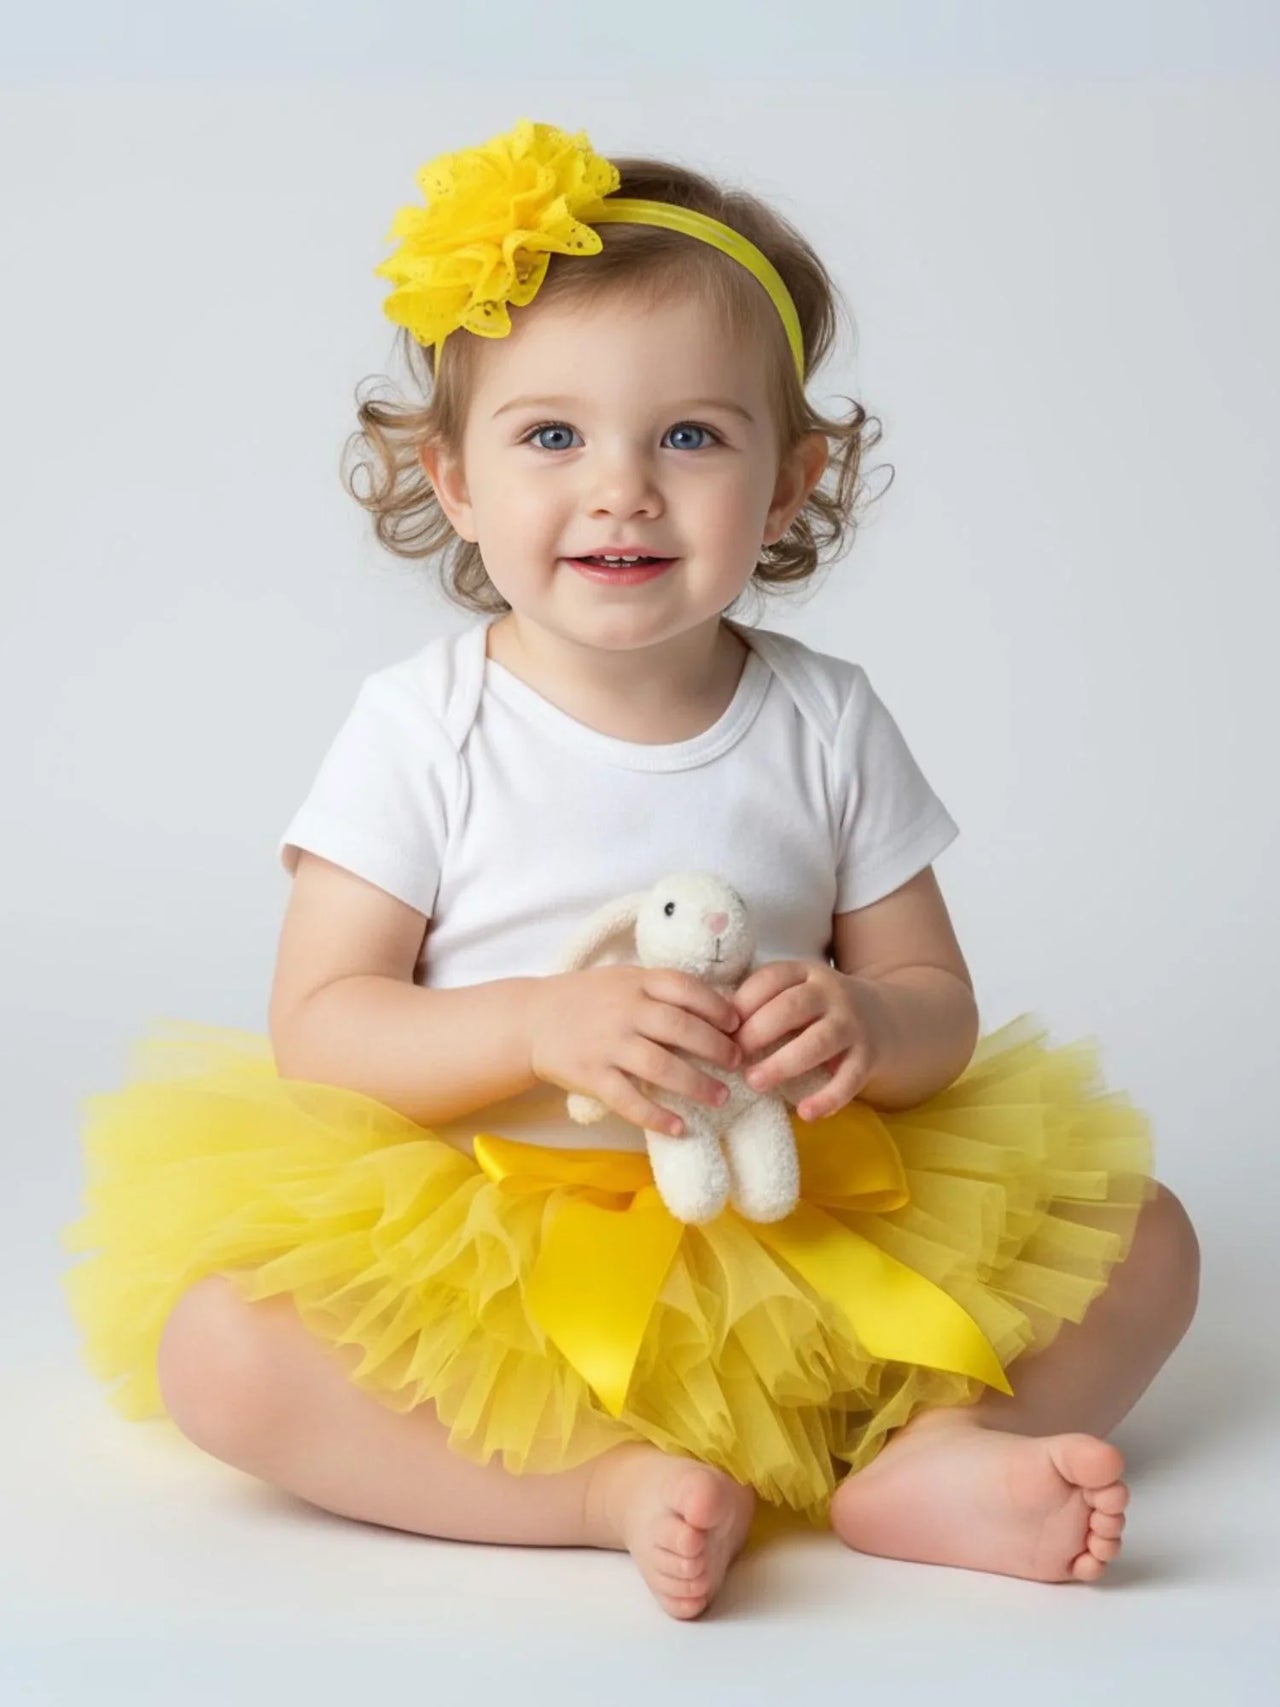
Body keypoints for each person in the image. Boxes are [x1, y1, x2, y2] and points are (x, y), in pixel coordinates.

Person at [61, 117, 1199, 1621]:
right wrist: (534, 1026)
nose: (621, 490)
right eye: (551, 436)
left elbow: (938, 998)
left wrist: (867, 1024)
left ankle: (937, 1449)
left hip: (794, 1217)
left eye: (689, 437)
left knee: (1151, 1237)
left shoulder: (825, 717)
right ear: (451, 477)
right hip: (491, 1242)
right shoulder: (425, 726)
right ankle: (594, 1487)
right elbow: (321, 1025)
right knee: (220, 1348)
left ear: (790, 483)